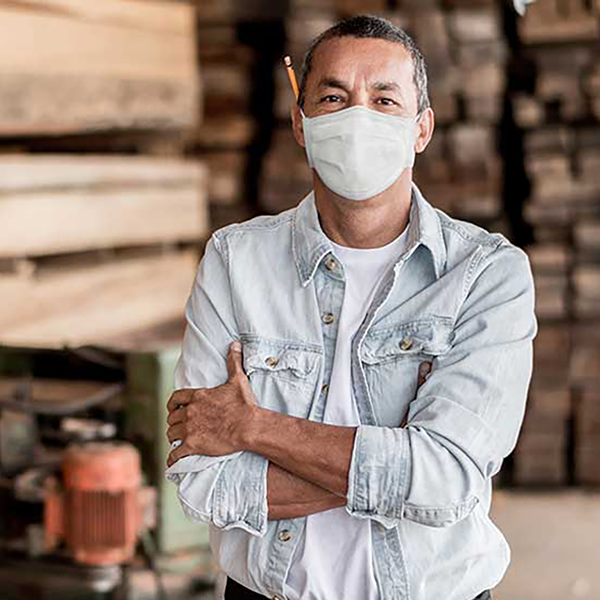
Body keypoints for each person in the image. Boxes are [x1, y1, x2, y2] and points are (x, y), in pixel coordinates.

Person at [165, 14, 537, 600]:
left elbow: (448, 481)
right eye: (333, 97)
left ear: (421, 128)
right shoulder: (236, 261)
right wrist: (400, 461)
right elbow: (199, 482)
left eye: (384, 99)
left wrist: (251, 427)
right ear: (300, 122)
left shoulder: (487, 274)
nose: (358, 116)